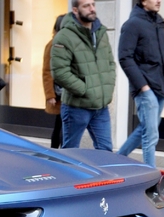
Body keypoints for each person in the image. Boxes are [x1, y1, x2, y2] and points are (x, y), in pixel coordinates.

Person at [50, 0, 116, 151]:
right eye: (86, 6)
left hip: (101, 107)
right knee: (71, 153)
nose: (92, 9)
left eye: (93, 4)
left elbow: (110, 63)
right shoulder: (64, 36)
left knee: (106, 151)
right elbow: (60, 73)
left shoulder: (101, 32)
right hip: (76, 107)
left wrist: (108, 86)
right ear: (75, 10)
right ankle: (65, 175)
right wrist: (85, 90)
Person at [117, 0, 164, 167]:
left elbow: (162, 57)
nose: (158, 1)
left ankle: (116, 160)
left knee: (144, 130)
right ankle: (151, 177)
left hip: (160, 87)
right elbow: (124, 57)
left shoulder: (159, 23)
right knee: (150, 134)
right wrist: (143, 87)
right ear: (143, 1)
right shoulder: (133, 24)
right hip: (145, 88)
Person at [42, 14, 65, 149]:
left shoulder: (67, 43)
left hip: (66, 91)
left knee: (60, 124)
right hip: (59, 93)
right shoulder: (52, 45)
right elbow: (46, 71)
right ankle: (57, 153)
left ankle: (55, 152)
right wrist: (50, 94)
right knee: (61, 126)